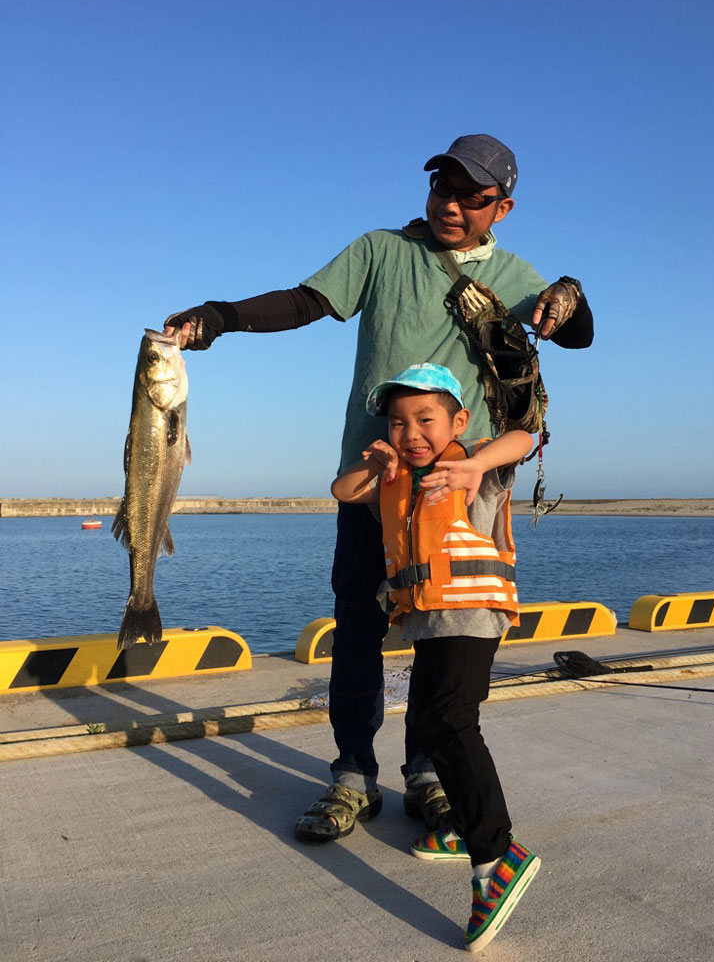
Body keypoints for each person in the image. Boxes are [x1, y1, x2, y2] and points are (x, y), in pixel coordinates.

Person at [164, 132, 594, 842]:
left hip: (457, 496)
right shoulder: (381, 251)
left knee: (439, 641)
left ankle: (428, 776)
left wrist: (568, 292)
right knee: (358, 632)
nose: (451, 204)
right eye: (443, 186)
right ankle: (352, 777)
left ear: (502, 207)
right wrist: (221, 316)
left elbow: (577, 336)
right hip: (373, 484)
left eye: (472, 196)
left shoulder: (512, 274)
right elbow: (304, 302)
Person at [330, 362, 539, 953]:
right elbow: (342, 491)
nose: (412, 433)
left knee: (450, 720)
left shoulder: (474, 468)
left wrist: (476, 464)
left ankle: (495, 855)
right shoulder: (393, 479)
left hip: (471, 617)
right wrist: (378, 465)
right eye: (398, 422)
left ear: (459, 422)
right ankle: (462, 830)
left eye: (426, 419)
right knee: (426, 719)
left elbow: (527, 437)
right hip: (428, 622)